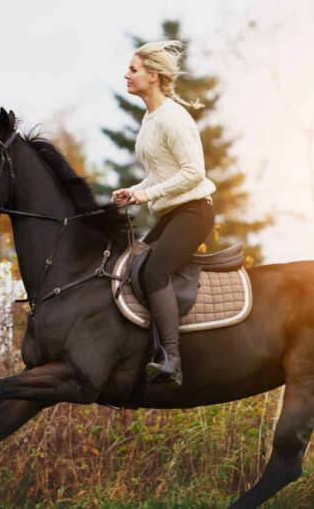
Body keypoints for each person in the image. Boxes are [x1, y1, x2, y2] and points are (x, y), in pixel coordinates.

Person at [111, 40, 216, 389]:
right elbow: (160, 173)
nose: (126, 75)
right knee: (134, 263)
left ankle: (172, 359)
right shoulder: (150, 118)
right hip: (172, 213)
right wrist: (134, 189)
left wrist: (147, 194)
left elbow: (193, 173)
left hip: (194, 212)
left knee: (155, 271)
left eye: (133, 69)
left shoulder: (172, 118)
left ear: (152, 76)